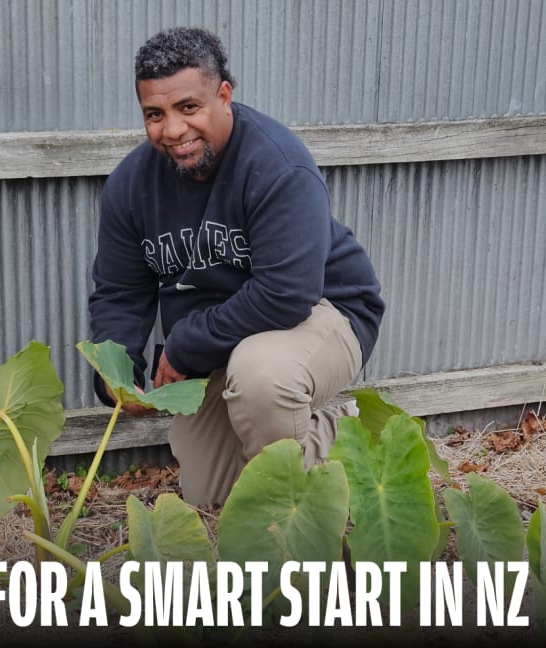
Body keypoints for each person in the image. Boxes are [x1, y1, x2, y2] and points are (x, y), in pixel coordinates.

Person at [88, 26, 385, 507]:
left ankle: (324, 465)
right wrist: (116, 376)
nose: (173, 130)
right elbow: (120, 292)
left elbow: (287, 294)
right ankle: (294, 452)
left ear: (223, 95)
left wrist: (184, 346)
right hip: (223, 339)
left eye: (189, 108)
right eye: (154, 115)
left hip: (324, 313)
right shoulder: (130, 187)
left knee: (262, 376)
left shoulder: (277, 164)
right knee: (212, 495)